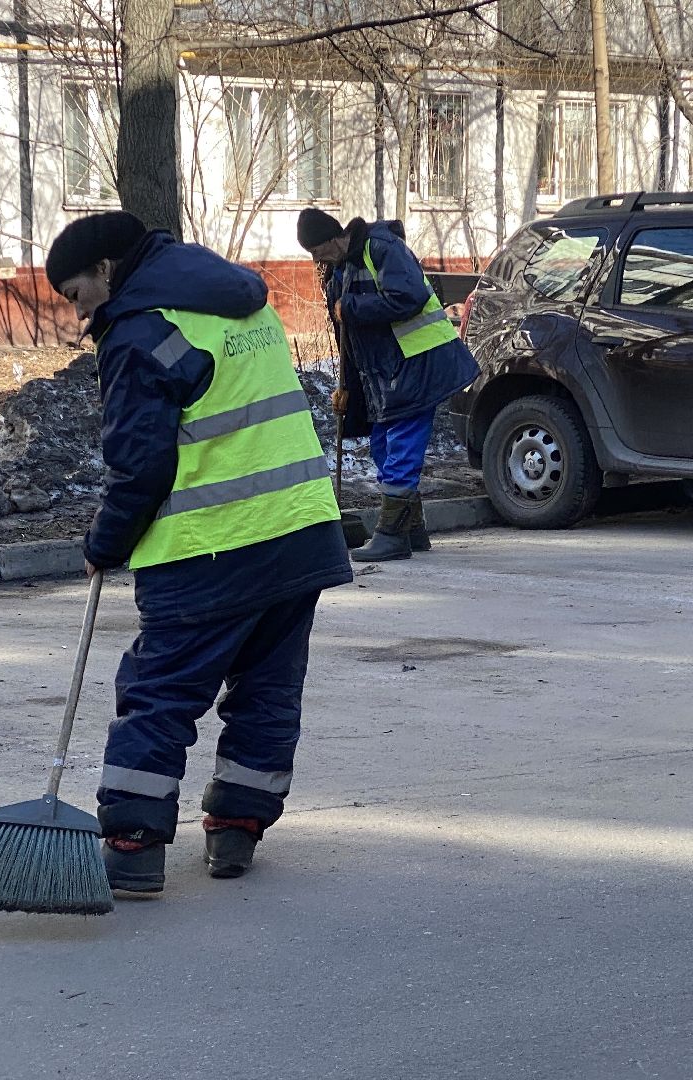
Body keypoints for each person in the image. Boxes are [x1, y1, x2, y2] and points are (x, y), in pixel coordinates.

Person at [46, 212, 353, 893]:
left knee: (160, 693)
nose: (76, 312)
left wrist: (105, 543)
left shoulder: (141, 330)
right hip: (299, 531)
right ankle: (237, 830)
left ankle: (133, 844)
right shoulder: (235, 300)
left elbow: (141, 465)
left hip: (210, 546)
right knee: (268, 689)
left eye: (74, 293)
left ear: (104, 271)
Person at [297, 208, 479, 562]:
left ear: (335, 237)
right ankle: (412, 529)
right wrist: (346, 387)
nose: (317, 259)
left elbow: (408, 297)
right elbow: (346, 337)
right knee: (382, 445)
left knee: (400, 444)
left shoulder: (381, 248)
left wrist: (350, 306)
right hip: (392, 371)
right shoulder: (340, 272)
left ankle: (392, 535)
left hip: (423, 362)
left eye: (318, 251)